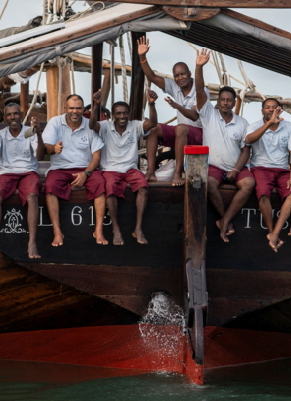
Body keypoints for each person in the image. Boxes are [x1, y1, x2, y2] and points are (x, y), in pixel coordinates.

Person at [193, 49, 256, 242]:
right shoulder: (208, 114)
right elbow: (199, 90)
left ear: (234, 102)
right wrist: (199, 67)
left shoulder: (242, 122)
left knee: (249, 184)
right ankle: (225, 220)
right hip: (214, 166)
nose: (226, 103)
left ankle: (225, 221)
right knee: (208, 183)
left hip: (235, 167)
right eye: (222, 100)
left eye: (229, 100)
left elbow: (246, 150)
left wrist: (236, 169)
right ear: (218, 102)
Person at [89, 88, 159, 245]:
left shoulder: (135, 126)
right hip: (110, 169)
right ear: (113, 115)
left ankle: (138, 228)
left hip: (130, 169)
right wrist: (96, 105)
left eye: (125, 113)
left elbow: (153, 123)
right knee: (110, 191)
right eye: (118, 113)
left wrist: (151, 104)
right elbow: (92, 124)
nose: (122, 116)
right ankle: (116, 229)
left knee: (143, 188)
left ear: (129, 114)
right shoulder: (106, 126)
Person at [136, 36, 202, 186]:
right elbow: (152, 76)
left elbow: (194, 116)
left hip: (199, 136)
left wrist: (177, 106)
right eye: (177, 76)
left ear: (189, 74)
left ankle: (177, 173)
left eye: (183, 74)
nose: (180, 78)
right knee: (154, 128)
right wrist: (142, 56)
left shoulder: (200, 90)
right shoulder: (175, 86)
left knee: (181, 128)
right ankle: (151, 172)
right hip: (181, 134)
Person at [42, 94, 106, 247]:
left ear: (84, 109)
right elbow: (46, 147)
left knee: (100, 183)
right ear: (65, 108)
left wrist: (86, 173)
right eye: (71, 108)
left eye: (78, 108)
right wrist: (54, 148)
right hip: (60, 168)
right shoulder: (55, 122)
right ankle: (57, 232)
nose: (75, 111)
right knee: (50, 187)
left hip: (85, 168)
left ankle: (98, 231)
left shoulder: (90, 125)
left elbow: (96, 157)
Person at [0, 102, 45, 259]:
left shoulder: (28, 132)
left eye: (16, 114)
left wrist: (38, 133)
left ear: (22, 115)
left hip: (28, 172)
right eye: (9, 114)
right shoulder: (1, 134)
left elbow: (39, 156)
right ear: (5, 118)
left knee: (32, 195)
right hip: (7, 173)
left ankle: (32, 243)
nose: (13, 117)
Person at [244, 97, 291, 252]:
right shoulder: (254, 126)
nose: (271, 110)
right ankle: (271, 231)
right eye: (267, 107)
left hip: (282, 169)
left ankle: (276, 233)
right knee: (263, 192)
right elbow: (249, 140)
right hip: (260, 168)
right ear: (262, 111)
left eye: (274, 107)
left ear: (280, 109)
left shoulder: (288, 126)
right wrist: (269, 123)